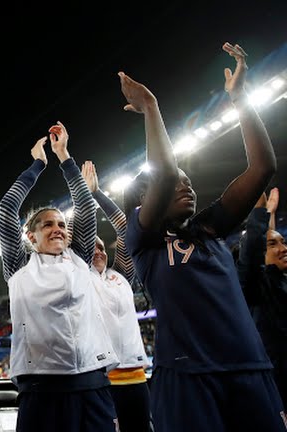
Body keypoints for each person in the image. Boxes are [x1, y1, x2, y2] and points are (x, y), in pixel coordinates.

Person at [121, 42, 284, 431]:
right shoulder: (143, 239)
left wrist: (240, 99)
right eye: (177, 183)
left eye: (189, 181)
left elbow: (263, 167)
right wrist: (151, 107)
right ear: (145, 200)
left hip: (249, 366)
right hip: (187, 377)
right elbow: (164, 172)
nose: (187, 186)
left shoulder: (210, 228)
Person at [0, 123, 119, 432]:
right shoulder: (19, 266)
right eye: (48, 224)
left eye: (62, 225)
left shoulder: (79, 256)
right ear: (31, 236)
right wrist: (38, 165)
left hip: (91, 379)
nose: (58, 229)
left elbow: (86, 207)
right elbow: (7, 208)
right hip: (41, 385)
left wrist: (64, 156)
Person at [82, 160, 152, 431]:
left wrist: (97, 194)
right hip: (101, 378)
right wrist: (83, 199)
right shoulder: (78, 276)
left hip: (136, 376)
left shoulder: (121, 274)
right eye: (92, 247)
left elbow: (125, 228)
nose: (98, 251)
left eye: (102, 247)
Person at [239, 187, 287, 401]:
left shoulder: (279, 280)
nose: (283, 248)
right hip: (275, 389)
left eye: (283, 242)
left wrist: (269, 219)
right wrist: (260, 212)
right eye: (273, 244)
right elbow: (254, 250)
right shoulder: (255, 286)